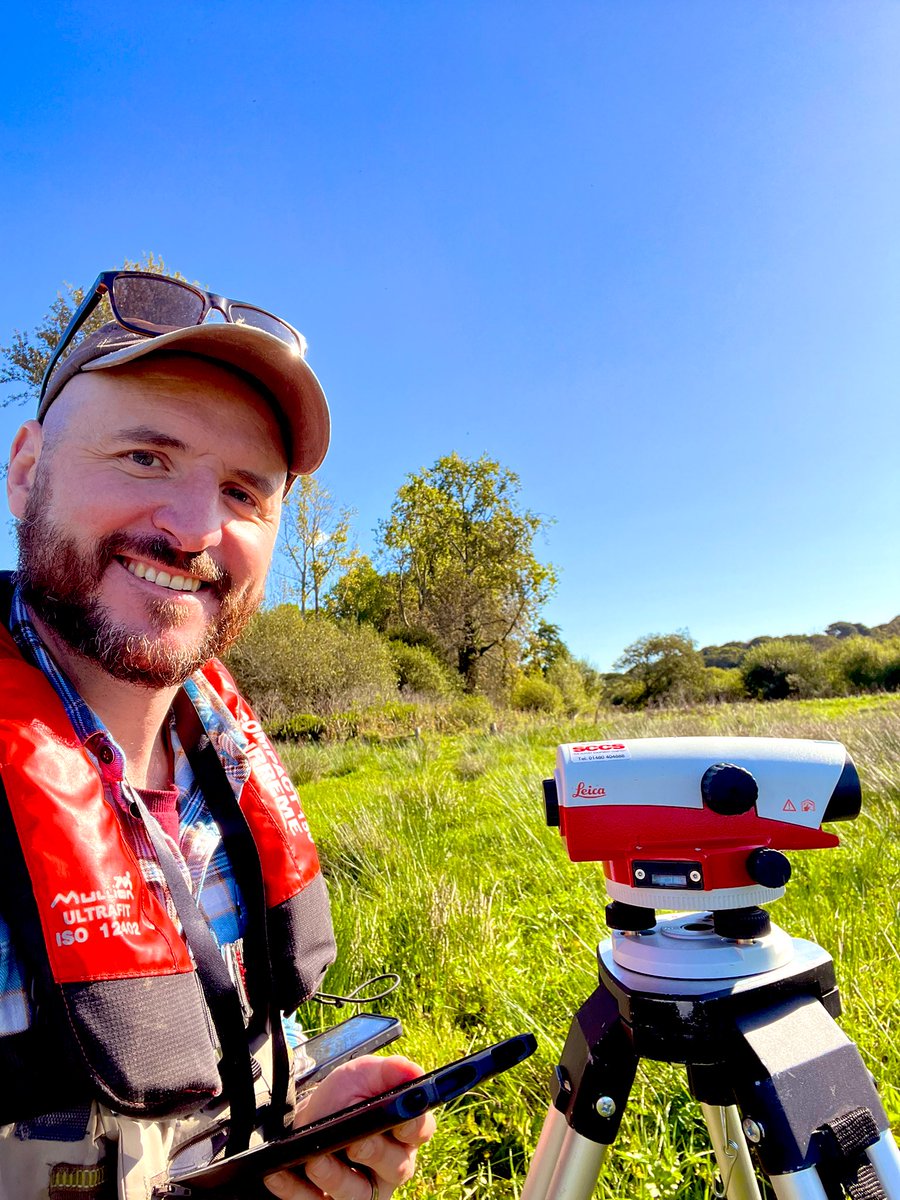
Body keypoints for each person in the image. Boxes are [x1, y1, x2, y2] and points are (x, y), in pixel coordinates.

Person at [0, 271, 435, 1200]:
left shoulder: (222, 772)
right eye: (145, 459)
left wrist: (297, 1133)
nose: (196, 530)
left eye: (244, 491)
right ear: (27, 470)